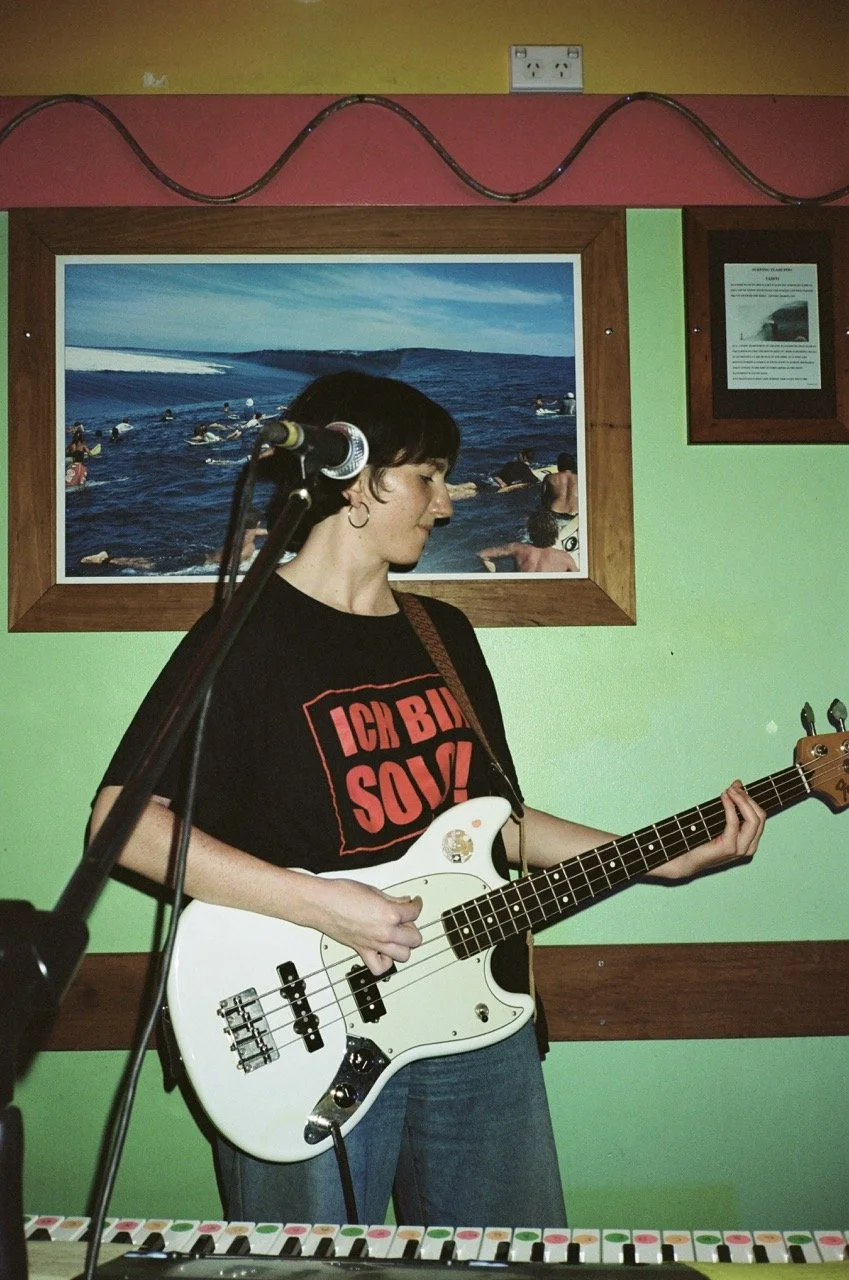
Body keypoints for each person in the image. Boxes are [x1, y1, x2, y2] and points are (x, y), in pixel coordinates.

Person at [89, 370, 765, 1231]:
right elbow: (120, 823)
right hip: (305, 1027)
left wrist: (657, 857)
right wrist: (325, 906)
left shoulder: (442, 636)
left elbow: (496, 826)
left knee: (508, 1259)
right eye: (427, 477)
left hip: (476, 1013)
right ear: (355, 480)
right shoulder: (241, 634)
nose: (444, 505)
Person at [477, 510, 579, 573]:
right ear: (554, 532)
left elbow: (481, 555)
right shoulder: (564, 558)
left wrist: (494, 573)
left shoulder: (516, 548)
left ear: (530, 531)